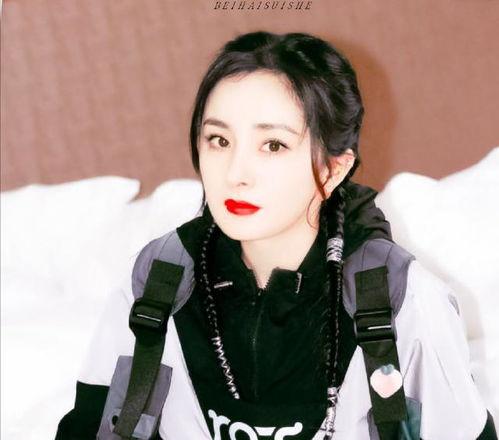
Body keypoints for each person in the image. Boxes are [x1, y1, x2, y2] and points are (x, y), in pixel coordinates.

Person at [55, 31, 497, 440]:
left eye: (273, 145)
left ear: (333, 169)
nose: (236, 174)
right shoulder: (158, 280)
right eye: (219, 140)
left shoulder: (402, 300)